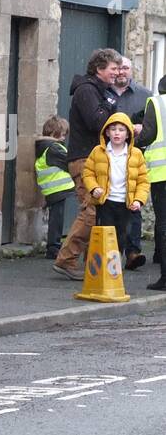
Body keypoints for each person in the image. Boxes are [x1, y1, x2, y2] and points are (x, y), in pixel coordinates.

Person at [54, 48, 122, 280]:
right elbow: (97, 122)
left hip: (93, 158)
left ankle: (89, 263)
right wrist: (110, 103)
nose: (117, 73)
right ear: (99, 69)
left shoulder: (99, 91)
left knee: (97, 211)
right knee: (90, 211)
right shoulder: (87, 91)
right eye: (113, 68)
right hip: (85, 159)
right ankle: (66, 259)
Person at [82, 112, 149, 264]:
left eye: (121, 130)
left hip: (126, 203)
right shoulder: (98, 151)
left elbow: (143, 180)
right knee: (105, 234)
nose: (117, 133)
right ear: (107, 132)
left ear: (128, 134)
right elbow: (87, 172)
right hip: (106, 201)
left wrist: (139, 200)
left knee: (121, 236)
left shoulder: (136, 154)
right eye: (113, 129)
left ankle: (114, 268)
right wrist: (94, 188)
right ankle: (100, 267)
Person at [113, 57, 150, 268]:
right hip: (109, 157)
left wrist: (142, 128)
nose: (121, 72)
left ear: (131, 70)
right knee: (110, 208)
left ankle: (133, 253)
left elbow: (154, 124)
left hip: (135, 156)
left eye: (125, 68)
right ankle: (110, 252)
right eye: (118, 68)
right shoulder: (104, 93)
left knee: (134, 204)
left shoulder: (144, 95)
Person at [135, 75, 166, 290]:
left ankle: (165, 278)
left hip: (162, 174)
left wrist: (132, 138)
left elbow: (148, 136)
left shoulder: (157, 102)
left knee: (164, 224)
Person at [33, 115, 76, 259]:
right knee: (57, 219)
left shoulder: (43, 147)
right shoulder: (53, 148)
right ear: (53, 134)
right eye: (61, 135)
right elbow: (70, 161)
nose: (63, 138)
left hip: (51, 189)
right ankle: (53, 248)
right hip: (59, 189)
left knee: (55, 218)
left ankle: (53, 246)